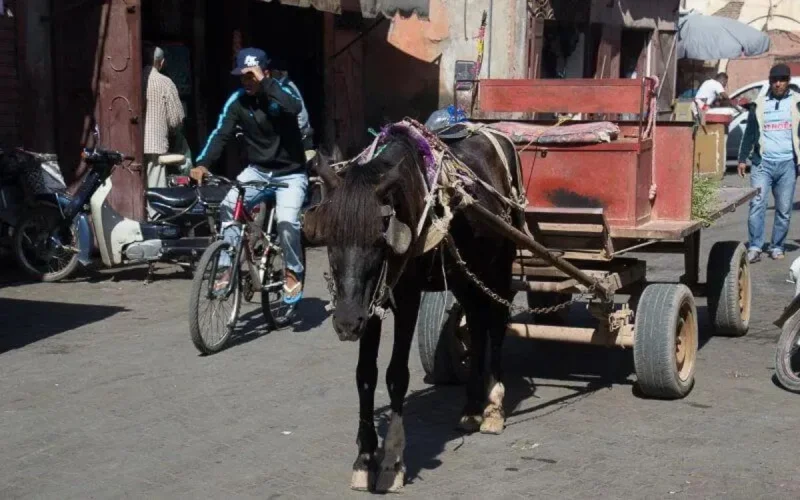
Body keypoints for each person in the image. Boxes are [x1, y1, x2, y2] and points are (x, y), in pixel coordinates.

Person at [190, 48, 306, 304]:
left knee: (287, 223)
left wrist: (266, 84)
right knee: (228, 206)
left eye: (251, 76)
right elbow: (221, 133)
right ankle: (226, 266)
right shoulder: (238, 101)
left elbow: (294, 107)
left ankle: (292, 271)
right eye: (243, 77)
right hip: (257, 171)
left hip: (291, 174)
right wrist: (203, 164)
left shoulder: (282, 90)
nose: (247, 82)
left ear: (265, 73)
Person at [737, 63, 800, 262]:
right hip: (762, 164)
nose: (778, 84)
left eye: (781, 80)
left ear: (788, 81)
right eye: (774, 80)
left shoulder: (798, 103)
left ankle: (776, 246)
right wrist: (741, 158)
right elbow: (749, 133)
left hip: (788, 165)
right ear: (770, 82)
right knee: (757, 205)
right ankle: (755, 246)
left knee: (783, 209)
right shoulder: (759, 104)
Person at [143, 45, 186, 189]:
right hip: (154, 146)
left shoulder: (132, 81)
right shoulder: (165, 82)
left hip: (130, 147)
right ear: (161, 63)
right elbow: (176, 120)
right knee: (154, 191)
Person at [270, 65, 314, 157]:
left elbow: (302, 115)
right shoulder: (278, 86)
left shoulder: (286, 87)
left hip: (300, 135)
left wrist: (295, 132)